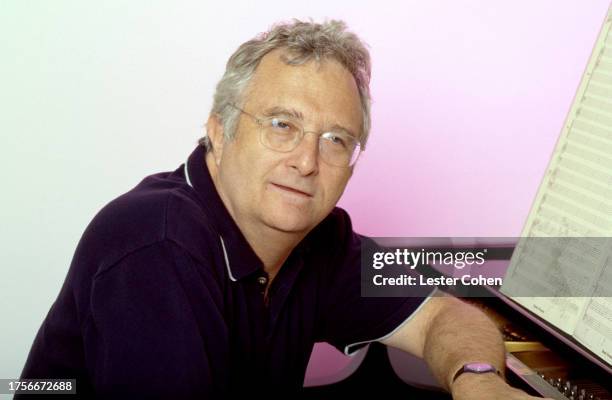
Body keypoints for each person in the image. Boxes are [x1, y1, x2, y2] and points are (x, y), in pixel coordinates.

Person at [18, 19, 545, 399]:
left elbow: (443, 313)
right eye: (281, 125)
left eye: (337, 139)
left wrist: (477, 379)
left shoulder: (322, 242)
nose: (307, 161)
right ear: (220, 131)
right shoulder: (157, 245)